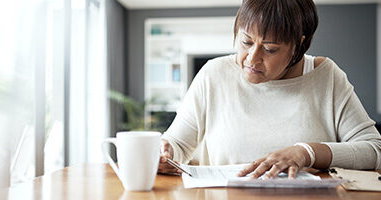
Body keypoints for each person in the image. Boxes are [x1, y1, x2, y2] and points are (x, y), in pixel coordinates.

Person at [158, 0, 381, 179]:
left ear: (298, 45)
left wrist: (307, 152)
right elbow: (177, 145)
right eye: (246, 42)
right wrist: (164, 154)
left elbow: (374, 150)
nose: (252, 59)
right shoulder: (213, 74)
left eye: (270, 49)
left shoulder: (326, 76)